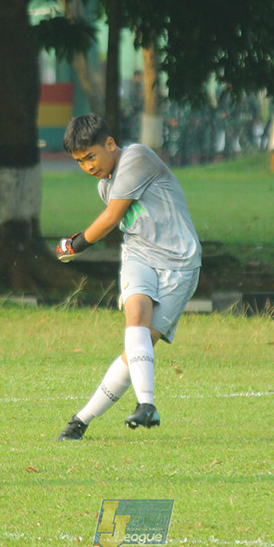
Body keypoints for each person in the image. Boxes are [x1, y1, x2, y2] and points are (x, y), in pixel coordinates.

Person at [54, 114, 202, 441]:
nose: (88, 166)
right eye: (80, 162)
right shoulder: (104, 185)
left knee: (140, 347)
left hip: (180, 263)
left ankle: (81, 420)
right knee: (135, 316)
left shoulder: (137, 156)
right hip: (139, 255)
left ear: (110, 144)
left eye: (91, 156)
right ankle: (146, 404)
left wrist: (73, 244)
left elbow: (111, 218)